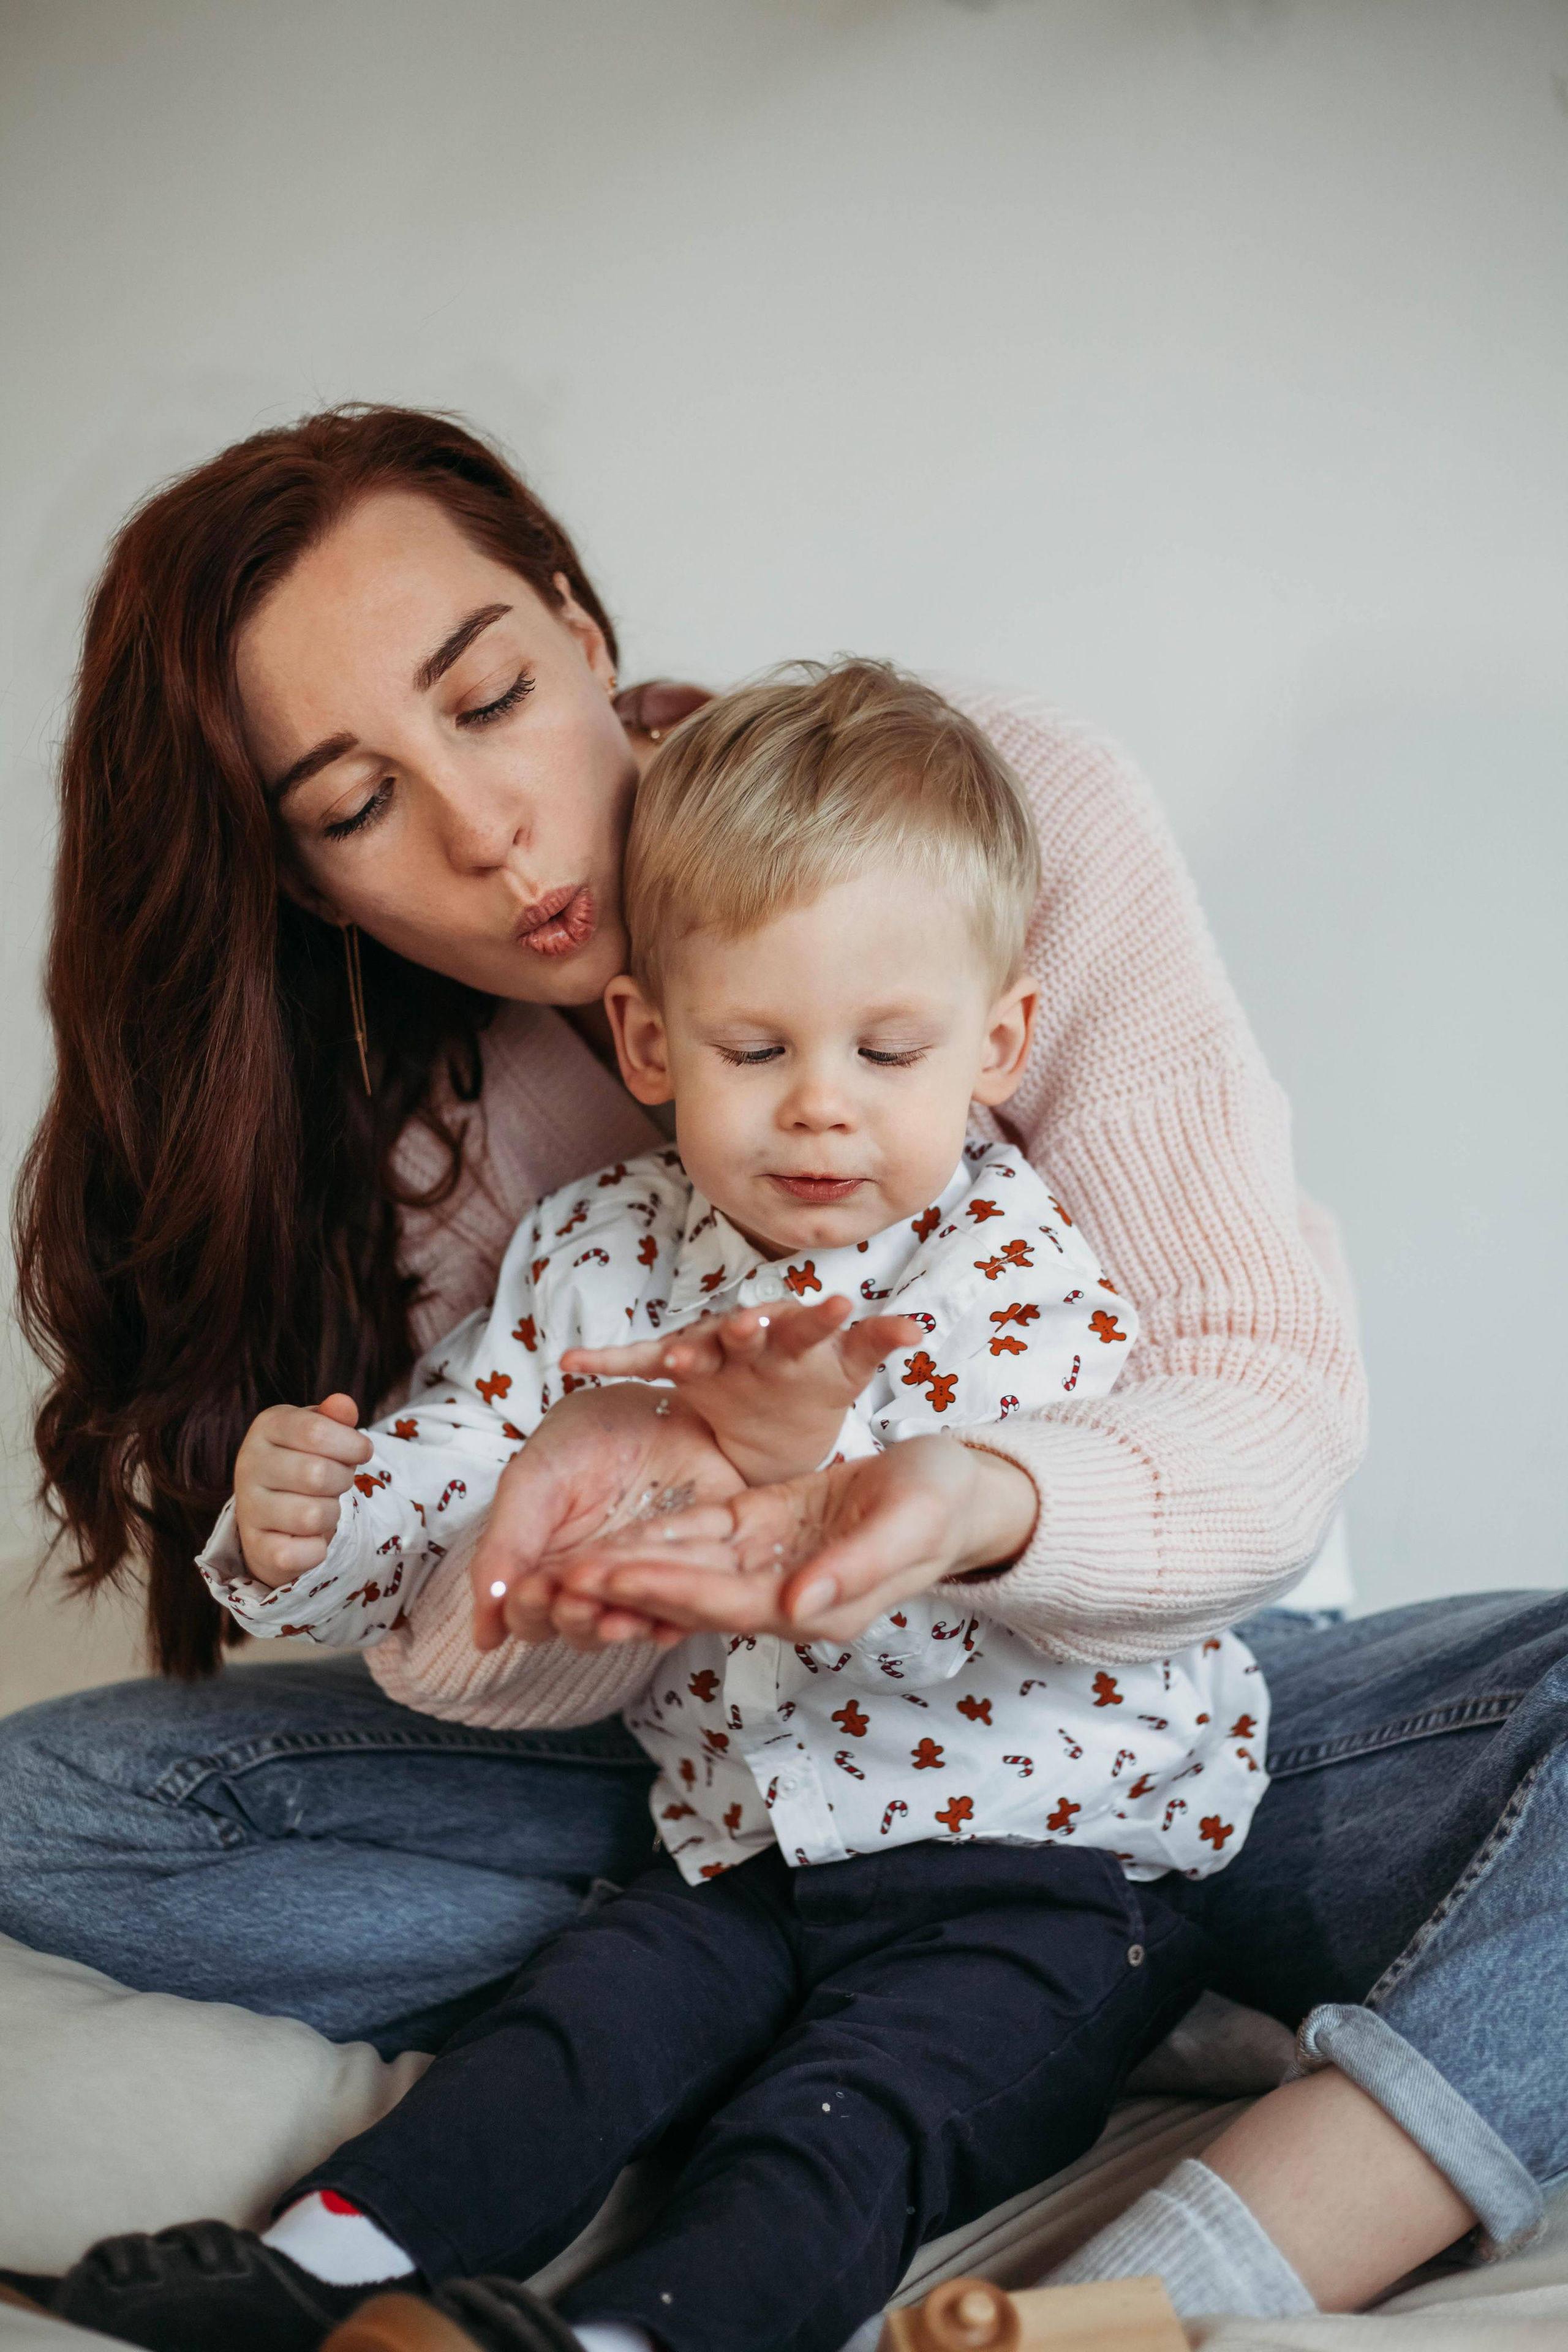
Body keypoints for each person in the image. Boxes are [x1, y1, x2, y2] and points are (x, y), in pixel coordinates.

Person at [4, 405, 1565, 2323]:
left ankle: (1154, 2236)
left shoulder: (982, 819)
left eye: (487, 698)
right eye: (352, 805)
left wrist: (967, 1509)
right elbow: (503, 1581)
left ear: (579, 627)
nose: (484, 829)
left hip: (1165, 1711)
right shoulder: (458, 1150)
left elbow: (1264, 1384)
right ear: (309, 881)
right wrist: (556, 1525)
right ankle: (749, 2045)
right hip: (724, 1764)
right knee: (55, 1811)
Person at [43, 662, 1265, 2352]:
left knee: (852, 2115)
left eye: (886, 1049)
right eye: (755, 1047)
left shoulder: (1016, 1264)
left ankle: (632, 2337)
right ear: (647, 1039)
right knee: (579, 2026)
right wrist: (298, 1529)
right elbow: (464, 1474)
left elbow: (1026, 1508)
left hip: (1049, 1870)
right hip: (744, 1843)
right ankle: (328, 2264)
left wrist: (791, 1452)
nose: (821, 1104)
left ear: (996, 1046)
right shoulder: (592, 1252)